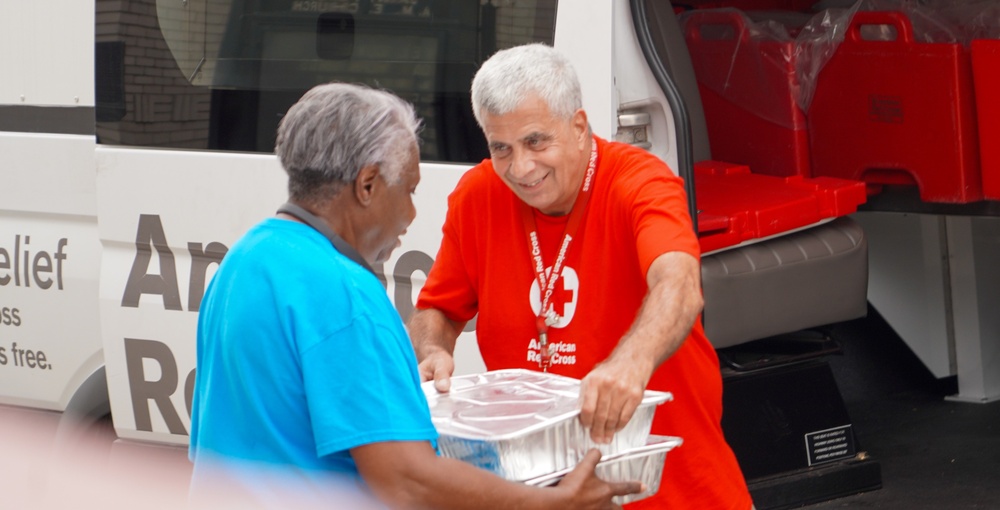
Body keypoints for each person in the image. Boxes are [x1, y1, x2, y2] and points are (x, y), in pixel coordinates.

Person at [187, 82, 642, 509]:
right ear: (367, 186)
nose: (411, 214)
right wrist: (550, 502)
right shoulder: (347, 295)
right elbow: (404, 479)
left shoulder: (247, 258)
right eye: (408, 190)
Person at [408, 44, 754, 510]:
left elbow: (679, 284)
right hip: (544, 495)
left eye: (536, 142)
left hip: (672, 491)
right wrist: (431, 350)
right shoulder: (478, 194)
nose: (520, 168)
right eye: (501, 148)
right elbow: (438, 308)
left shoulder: (639, 181)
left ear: (578, 126)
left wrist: (630, 362)